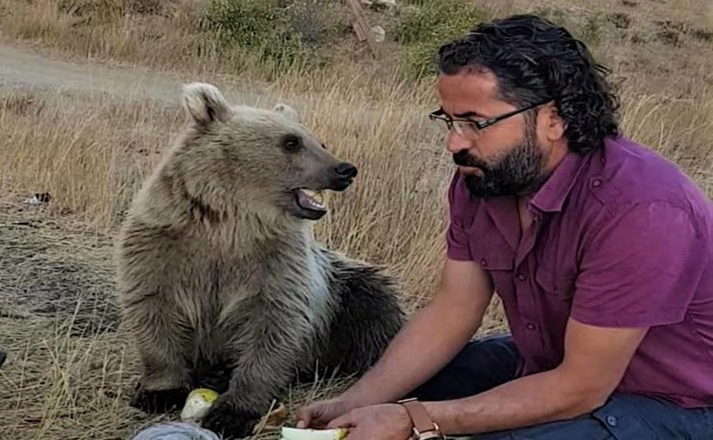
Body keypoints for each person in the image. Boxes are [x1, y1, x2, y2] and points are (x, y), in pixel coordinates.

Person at [295, 13, 713, 440]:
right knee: (405, 389)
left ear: (554, 118)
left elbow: (582, 387)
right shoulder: (483, 179)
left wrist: (415, 419)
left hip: (678, 402)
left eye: (476, 122)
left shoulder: (640, 208)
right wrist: (354, 403)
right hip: (551, 361)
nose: (454, 143)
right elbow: (452, 311)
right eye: (449, 120)